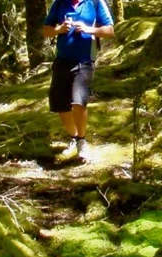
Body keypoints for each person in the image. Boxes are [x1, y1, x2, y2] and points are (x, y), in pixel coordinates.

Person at [43, 0, 114, 162]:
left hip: (85, 62)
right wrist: (59, 29)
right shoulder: (59, 4)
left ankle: (82, 141)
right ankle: (73, 137)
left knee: (78, 102)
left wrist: (89, 30)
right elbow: (45, 31)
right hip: (61, 62)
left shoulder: (95, 3)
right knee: (61, 106)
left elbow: (110, 31)